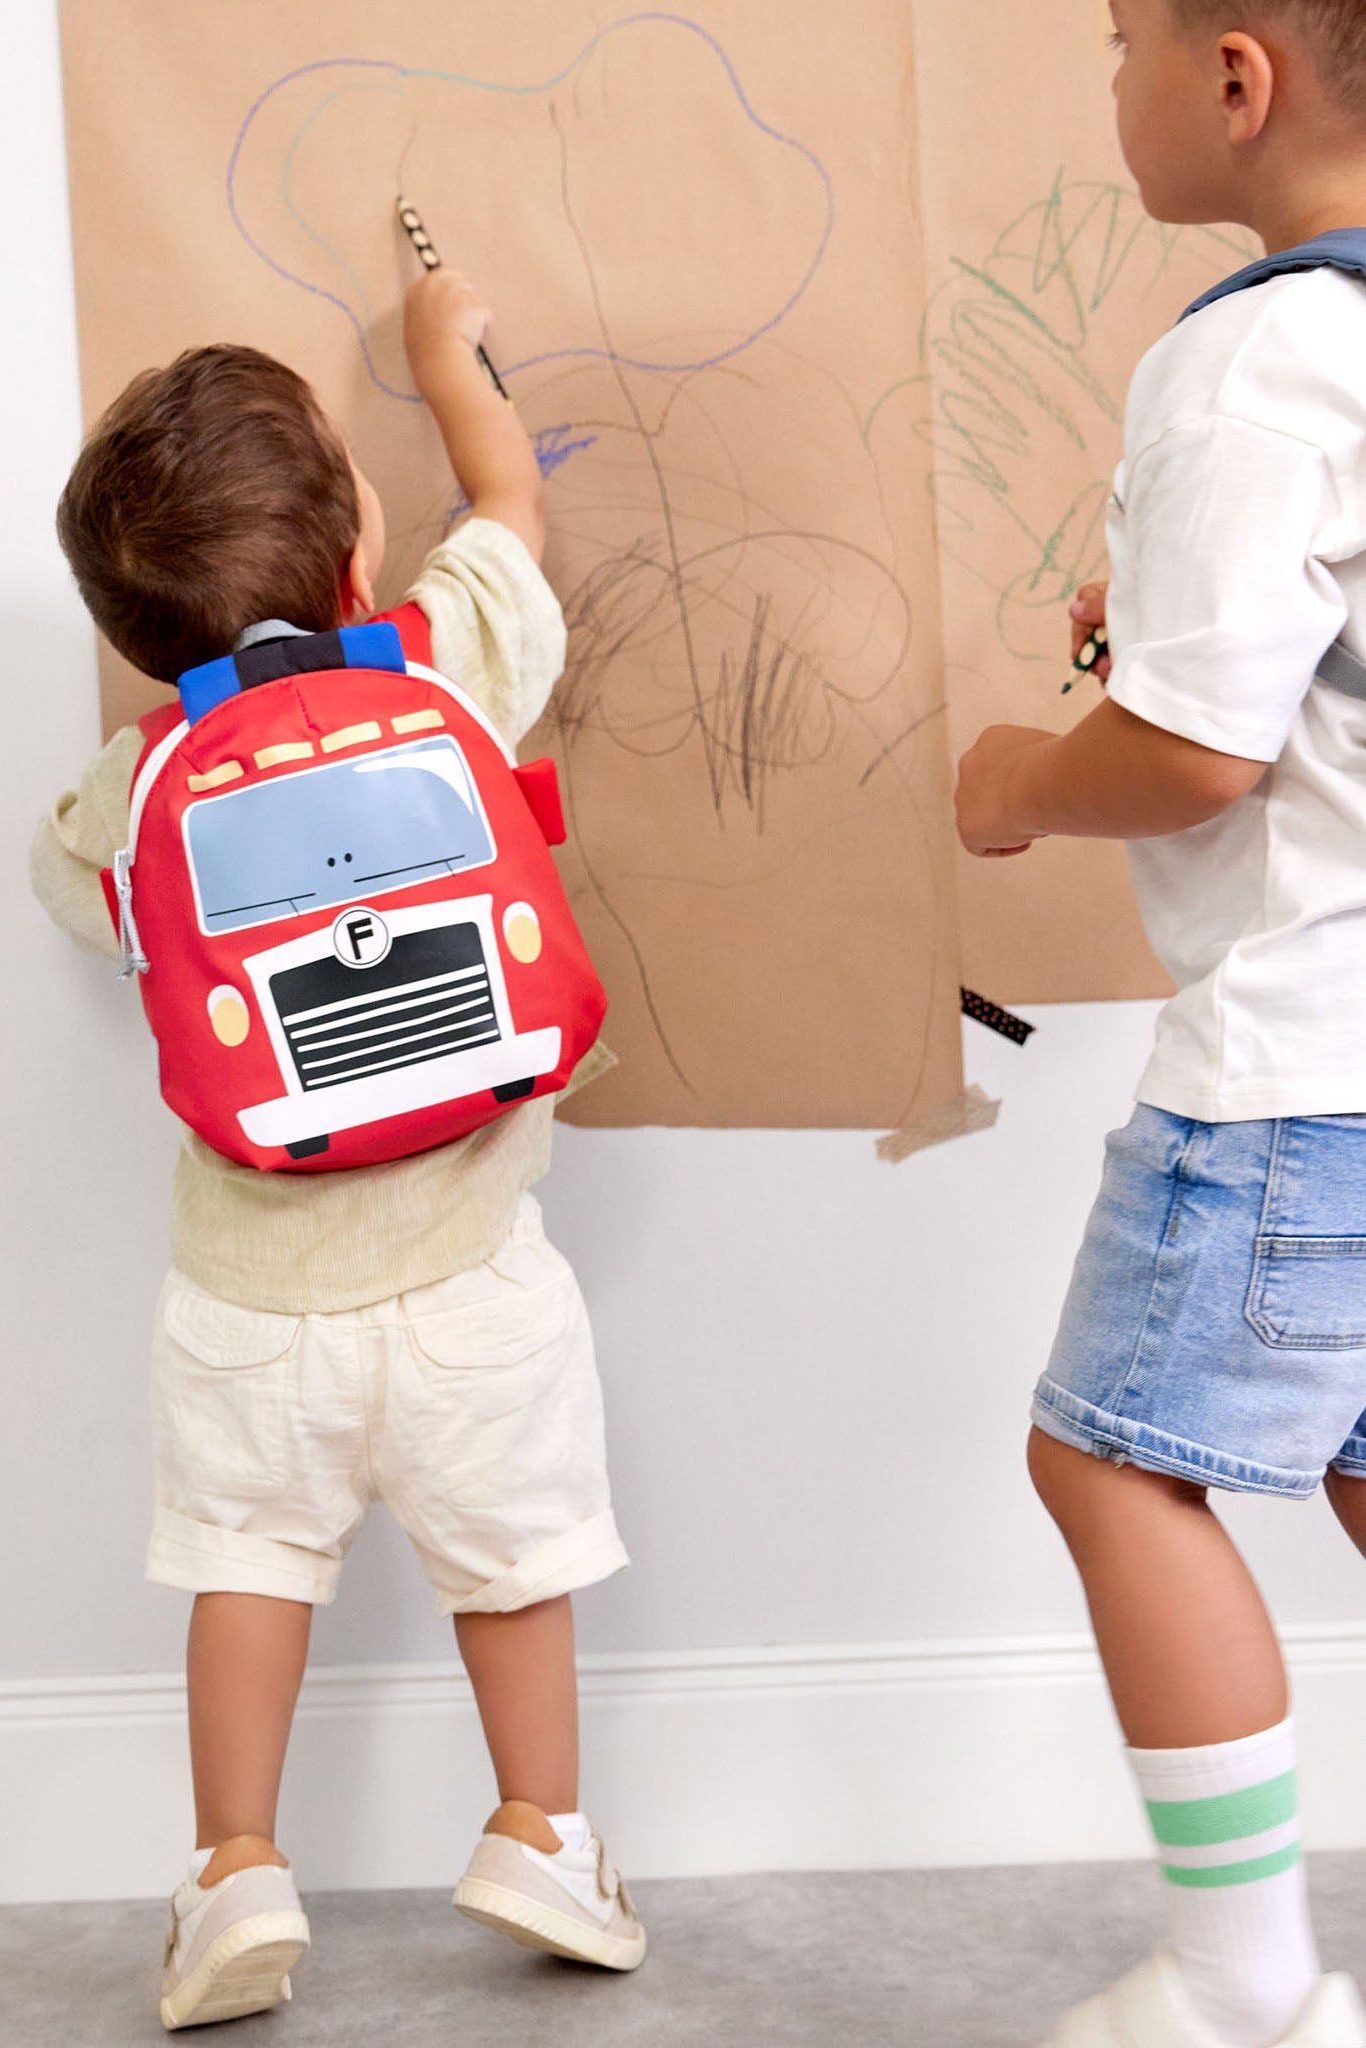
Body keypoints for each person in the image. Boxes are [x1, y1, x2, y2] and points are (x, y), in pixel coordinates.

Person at [31, 268, 643, 2031]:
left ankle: (233, 1871)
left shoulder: (140, 782)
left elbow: (72, 889)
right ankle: (541, 1829)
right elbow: (515, 506)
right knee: (513, 1566)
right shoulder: (448, 652)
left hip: (247, 1301)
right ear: (360, 551)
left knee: (250, 1564)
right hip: (475, 1286)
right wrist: (449, 363)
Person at [956, 4, 1366, 2043]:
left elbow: (1196, 761)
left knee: (1106, 1463)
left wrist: (1025, 774)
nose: (1098, 82)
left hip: (1300, 1062)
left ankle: (1240, 1986)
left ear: (1231, 80)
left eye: (1113, 40)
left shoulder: (1252, 356)